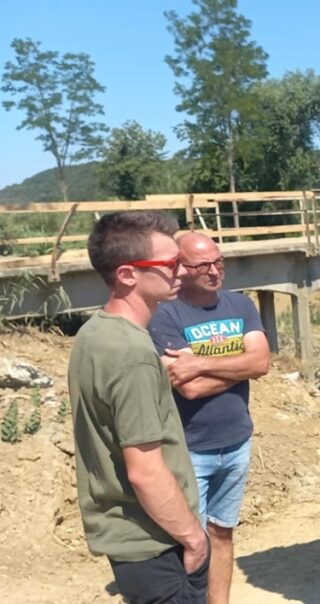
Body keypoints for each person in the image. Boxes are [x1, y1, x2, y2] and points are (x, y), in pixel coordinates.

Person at [69, 211, 209, 603]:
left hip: (132, 542)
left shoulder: (95, 334)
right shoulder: (132, 353)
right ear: (128, 275)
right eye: (171, 264)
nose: (182, 270)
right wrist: (193, 537)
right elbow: (146, 471)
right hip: (157, 544)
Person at [148, 232, 271, 604]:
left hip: (237, 443)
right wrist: (240, 368)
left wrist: (200, 363)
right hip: (191, 450)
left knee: (222, 533)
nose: (215, 271)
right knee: (192, 543)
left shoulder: (241, 305)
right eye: (203, 265)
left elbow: (262, 362)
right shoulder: (164, 314)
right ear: (180, 267)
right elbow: (188, 389)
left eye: (219, 262)